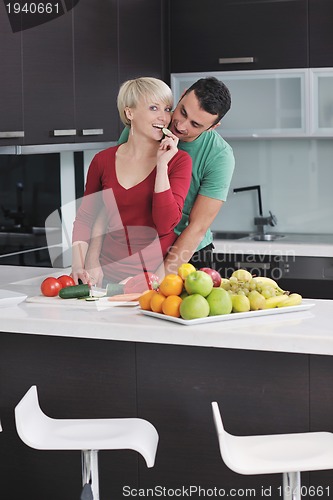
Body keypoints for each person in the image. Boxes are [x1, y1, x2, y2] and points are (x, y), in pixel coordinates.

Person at [84, 76, 235, 286]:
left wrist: (158, 279)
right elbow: (112, 198)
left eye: (195, 124)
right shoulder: (144, 127)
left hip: (186, 256)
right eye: (182, 111)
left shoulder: (219, 156)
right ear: (181, 96)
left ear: (212, 127)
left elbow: (197, 227)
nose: (180, 126)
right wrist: (92, 257)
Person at [71, 77, 192, 285]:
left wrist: (162, 166)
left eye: (167, 108)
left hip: (156, 278)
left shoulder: (178, 161)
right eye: (154, 108)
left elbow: (165, 224)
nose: (164, 117)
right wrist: (80, 264)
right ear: (129, 113)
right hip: (104, 275)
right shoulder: (103, 160)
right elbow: (86, 217)